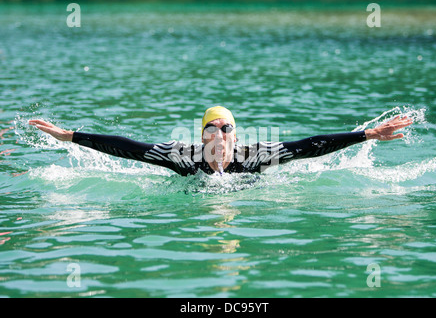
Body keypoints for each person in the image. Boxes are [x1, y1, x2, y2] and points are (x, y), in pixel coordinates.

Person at [28, 106, 413, 176]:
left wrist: (367, 134)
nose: (219, 135)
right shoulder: (182, 158)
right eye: (211, 129)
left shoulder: (257, 155)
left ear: (235, 135)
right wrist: (70, 136)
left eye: (226, 129)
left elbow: (310, 145)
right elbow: (130, 147)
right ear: (202, 136)